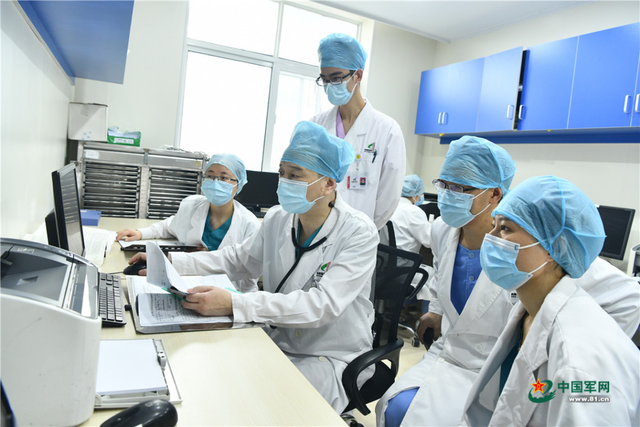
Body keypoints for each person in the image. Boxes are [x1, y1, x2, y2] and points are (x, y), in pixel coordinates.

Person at [375, 136, 640, 427]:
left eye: (459, 188)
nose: (448, 195)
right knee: (393, 408)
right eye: (444, 185)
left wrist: (577, 345)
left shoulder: (543, 256)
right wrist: (437, 310)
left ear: (494, 194)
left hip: (491, 368)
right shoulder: (444, 229)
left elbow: (630, 299)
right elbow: (440, 270)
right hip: (451, 352)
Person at [128, 121, 378, 413]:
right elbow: (239, 260)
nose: (284, 182)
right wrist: (173, 261)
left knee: (262, 407)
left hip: (328, 354)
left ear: (329, 184)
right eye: (282, 173)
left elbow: (322, 306)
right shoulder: (278, 218)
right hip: (276, 337)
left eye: (295, 175)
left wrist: (234, 303)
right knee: (216, 382)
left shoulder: (358, 232)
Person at [464, 176, 640, 426]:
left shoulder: (579, 364)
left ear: (554, 246)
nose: (490, 238)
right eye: (494, 225)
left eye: (505, 228)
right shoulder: (528, 311)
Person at [115, 153, 261, 292]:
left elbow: (245, 273)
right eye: (210, 176)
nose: (215, 182)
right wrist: (141, 233)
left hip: (231, 293)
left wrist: (197, 261)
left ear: (238, 184)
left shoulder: (250, 226)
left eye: (224, 178)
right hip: (188, 282)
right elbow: (170, 225)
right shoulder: (192, 205)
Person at [310, 33, 406, 230]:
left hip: (360, 234)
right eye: (324, 79)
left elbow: (389, 197)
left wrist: (362, 233)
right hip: (317, 229)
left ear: (358, 76)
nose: (329, 86)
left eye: (336, 78)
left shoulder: (387, 130)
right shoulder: (315, 126)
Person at [389, 174, 433, 309]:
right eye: (421, 193)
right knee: (434, 276)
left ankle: (404, 310)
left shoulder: (389, 206)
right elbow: (429, 241)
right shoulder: (413, 211)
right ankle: (427, 317)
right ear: (415, 194)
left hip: (384, 268)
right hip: (402, 270)